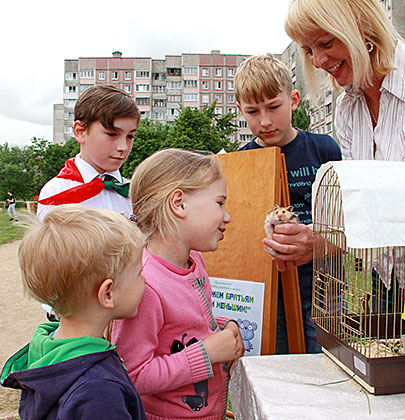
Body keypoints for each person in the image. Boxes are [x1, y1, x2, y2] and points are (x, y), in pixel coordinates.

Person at [284, 0, 405, 310]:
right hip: (385, 282)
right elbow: (364, 201)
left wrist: (325, 241)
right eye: (308, 51)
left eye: (325, 43)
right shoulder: (346, 108)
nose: (317, 61)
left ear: (362, 28)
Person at [112, 148, 244, 420]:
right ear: (179, 203)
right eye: (220, 203)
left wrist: (221, 326)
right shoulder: (144, 284)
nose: (227, 216)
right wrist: (207, 353)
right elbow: (133, 375)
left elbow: (181, 328)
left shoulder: (193, 261)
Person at [235, 54, 342, 354]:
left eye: (273, 107)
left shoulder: (324, 149)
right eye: (253, 111)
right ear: (240, 111)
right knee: (276, 368)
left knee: (327, 363)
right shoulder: (241, 162)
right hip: (270, 290)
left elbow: (343, 217)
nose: (265, 121)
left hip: (324, 284)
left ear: (294, 100)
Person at [0, 205, 147, 420]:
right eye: (139, 273)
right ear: (107, 294)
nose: (144, 280)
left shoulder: (47, 346)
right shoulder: (98, 392)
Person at [36, 84, 141, 221]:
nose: (123, 147)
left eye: (130, 137)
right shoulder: (56, 192)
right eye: (112, 134)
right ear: (80, 131)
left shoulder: (133, 192)